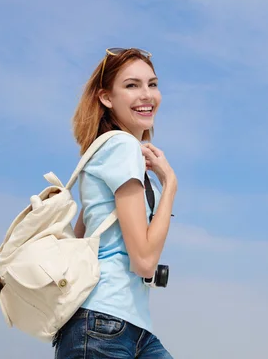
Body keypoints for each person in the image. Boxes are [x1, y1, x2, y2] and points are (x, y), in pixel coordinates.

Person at [53, 48, 177, 358]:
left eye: (152, 84)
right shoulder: (121, 147)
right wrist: (171, 184)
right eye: (132, 85)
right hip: (103, 326)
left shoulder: (115, 152)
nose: (146, 95)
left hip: (125, 326)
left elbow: (84, 238)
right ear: (107, 98)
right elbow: (144, 261)